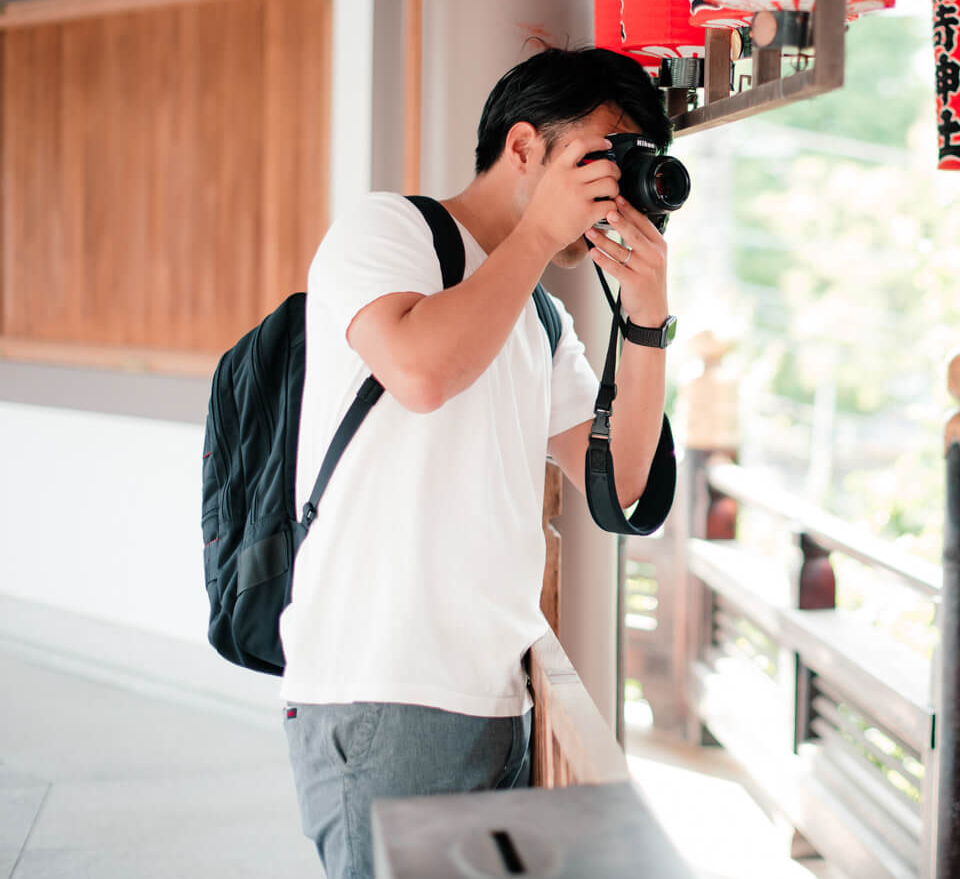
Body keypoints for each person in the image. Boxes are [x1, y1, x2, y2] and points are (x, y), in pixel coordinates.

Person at [279, 46, 675, 879]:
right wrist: (537, 234)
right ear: (525, 147)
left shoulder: (540, 317)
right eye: (601, 159)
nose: (611, 190)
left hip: (497, 693)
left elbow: (622, 485)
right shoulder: (386, 230)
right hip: (386, 684)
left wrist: (644, 319)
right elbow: (422, 372)